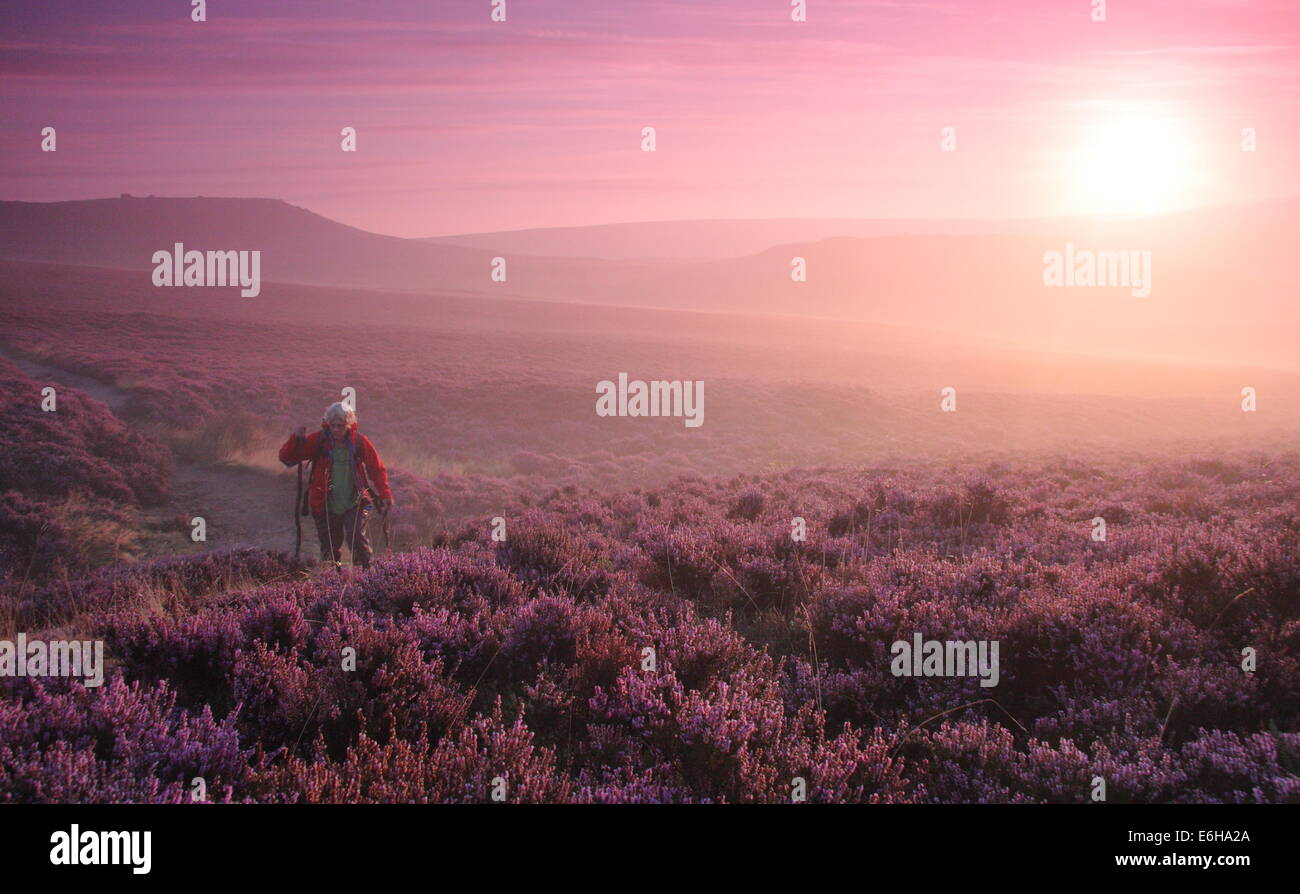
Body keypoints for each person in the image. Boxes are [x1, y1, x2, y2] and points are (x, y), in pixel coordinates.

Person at [279, 402, 392, 570]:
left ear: (349, 425)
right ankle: (333, 581)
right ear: (328, 424)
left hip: (355, 502)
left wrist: (385, 494)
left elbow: (376, 468)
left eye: (341, 426)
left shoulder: (359, 442)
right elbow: (287, 457)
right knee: (329, 549)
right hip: (325, 504)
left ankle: (367, 577)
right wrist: (295, 438)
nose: (337, 429)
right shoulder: (319, 441)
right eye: (333, 425)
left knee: (357, 540)